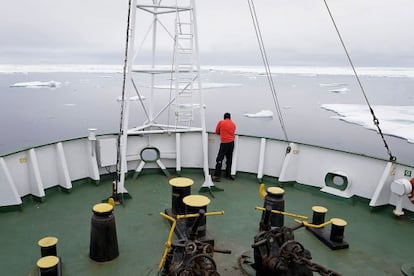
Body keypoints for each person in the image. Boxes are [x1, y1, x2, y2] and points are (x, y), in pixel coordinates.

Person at [212, 112, 236, 181]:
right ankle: (228, 175)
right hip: (231, 143)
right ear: (230, 118)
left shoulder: (221, 122)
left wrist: (222, 133)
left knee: (219, 159)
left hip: (224, 143)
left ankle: (216, 175)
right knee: (229, 159)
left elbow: (217, 132)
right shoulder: (233, 124)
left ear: (224, 117)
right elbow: (232, 133)